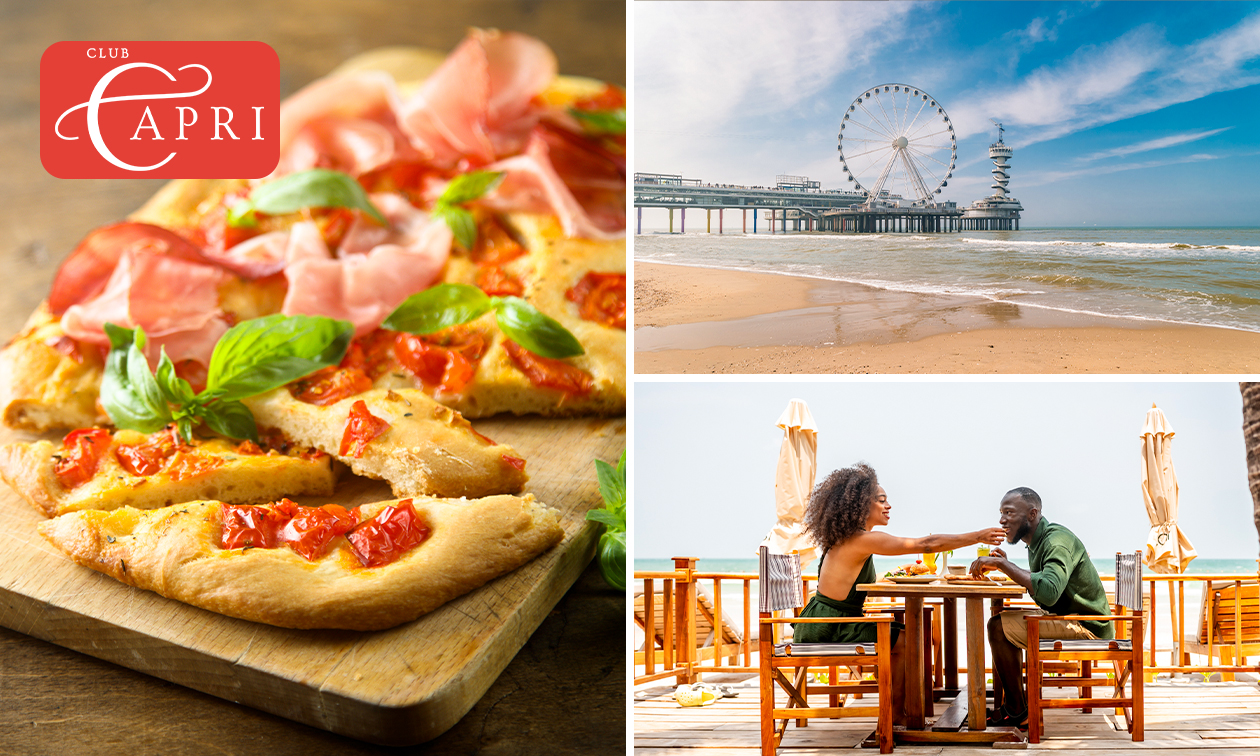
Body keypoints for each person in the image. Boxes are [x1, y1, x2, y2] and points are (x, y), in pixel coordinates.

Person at [796, 463, 1005, 724]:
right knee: (906, 640)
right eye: (881, 500)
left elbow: (846, 585)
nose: (888, 506)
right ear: (861, 505)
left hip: (821, 621)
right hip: (831, 628)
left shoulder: (844, 538)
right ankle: (896, 715)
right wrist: (978, 536)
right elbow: (927, 544)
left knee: (904, 633)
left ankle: (904, 709)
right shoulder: (863, 540)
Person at [969, 487, 1113, 728]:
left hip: (1087, 625)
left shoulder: (1056, 542)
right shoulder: (1037, 541)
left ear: (1032, 513)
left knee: (998, 626)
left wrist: (1003, 565)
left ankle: (1017, 711)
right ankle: (1015, 706)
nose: (1002, 520)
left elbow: (1048, 591)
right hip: (1069, 617)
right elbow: (1045, 586)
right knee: (1000, 621)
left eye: (1009, 512)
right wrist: (1007, 564)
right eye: (1001, 513)